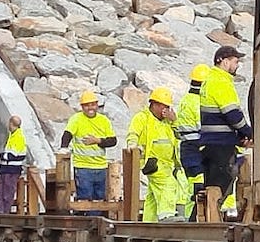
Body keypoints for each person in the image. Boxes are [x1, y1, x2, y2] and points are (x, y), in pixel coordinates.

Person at [197, 45, 252, 217]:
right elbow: (232, 114)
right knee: (219, 186)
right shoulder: (221, 82)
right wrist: (248, 132)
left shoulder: (209, 80)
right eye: (235, 61)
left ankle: (201, 220)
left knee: (211, 185)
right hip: (220, 144)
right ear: (224, 61)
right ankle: (209, 221)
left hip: (210, 143)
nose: (237, 65)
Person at [129, 88, 188, 220]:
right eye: (163, 106)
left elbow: (180, 135)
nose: (165, 109)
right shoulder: (142, 118)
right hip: (152, 162)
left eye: (167, 106)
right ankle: (166, 215)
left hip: (168, 164)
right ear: (154, 104)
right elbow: (133, 134)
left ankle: (149, 222)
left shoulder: (167, 121)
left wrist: (174, 120)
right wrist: (132, 146)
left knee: (153, 195)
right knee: (168, 184)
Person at [61, 91, 118, 203]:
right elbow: (67, 134)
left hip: (100, 166)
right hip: (83, 166)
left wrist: (98, 141)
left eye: (92, 104)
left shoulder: (103, 120)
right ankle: (85, 219)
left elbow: (113, 141)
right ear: (82, 107)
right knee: (84, 198)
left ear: (97, 105)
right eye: (87, 105)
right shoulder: (76, 119)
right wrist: (63, 148)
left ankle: (97, 219)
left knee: (100, 199)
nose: (90, 108)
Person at [176, 64, 212, 212]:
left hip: (187, 146)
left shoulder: (185, 100)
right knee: (199, 184)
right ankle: (194, 216)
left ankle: (192, 216)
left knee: (193, 184)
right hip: (196, 146)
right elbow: (203, 126)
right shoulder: (198, 102)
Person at [0, 114, 30, 213]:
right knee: (1, 190)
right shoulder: (13, 135)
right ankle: (0, 210)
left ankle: (5, 211)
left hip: (12, 169)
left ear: (11, 123)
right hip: (6, 168)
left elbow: (13, 155)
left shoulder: (18, 137)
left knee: (7, 191)